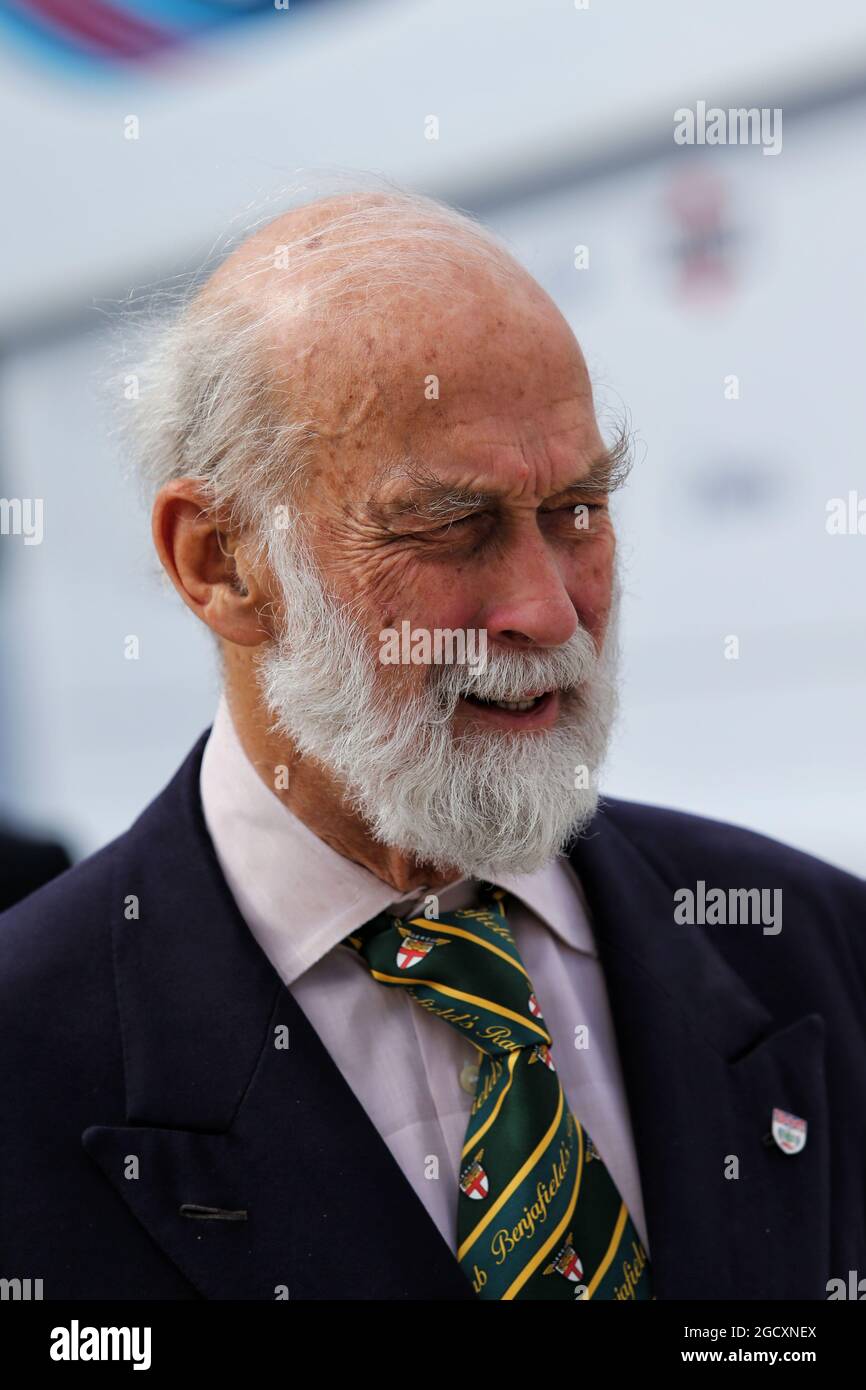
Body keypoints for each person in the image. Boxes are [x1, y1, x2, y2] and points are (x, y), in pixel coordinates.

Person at [1, 187, 863, 1301]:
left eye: (577, 510)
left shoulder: (815, 948)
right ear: (216, 560)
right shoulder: (28, 1056)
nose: (547, 611)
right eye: (451, 527)